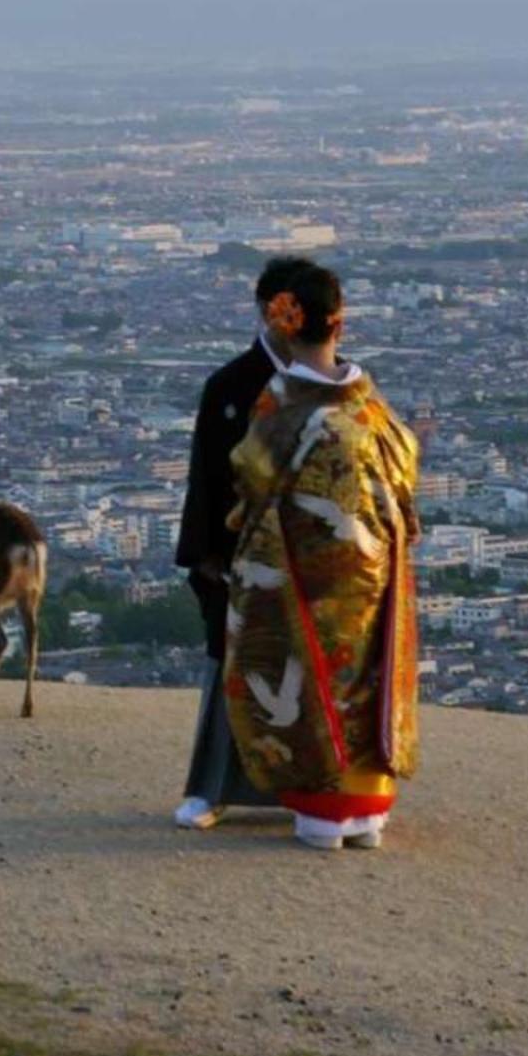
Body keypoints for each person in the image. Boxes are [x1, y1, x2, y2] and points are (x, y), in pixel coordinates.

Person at [221, 261, 422, 851]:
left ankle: (322, 809)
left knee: (306, 671)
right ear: (339, 321)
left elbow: (249, 483)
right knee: (368, 669)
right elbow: (404, 479)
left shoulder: (281, 407)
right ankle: (366, 809)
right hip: (374, 570)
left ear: (281, 322)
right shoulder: (373, 409)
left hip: (300, 571)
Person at [171, 256, 310, 829]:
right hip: (238, 549)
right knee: (233, 665)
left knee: (311, 671)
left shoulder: (335, 383)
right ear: (269, 312)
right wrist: (204, 555)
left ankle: (315, 791)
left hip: (308, 548)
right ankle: (213, 788)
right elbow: (204, 475)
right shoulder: (229, 385)